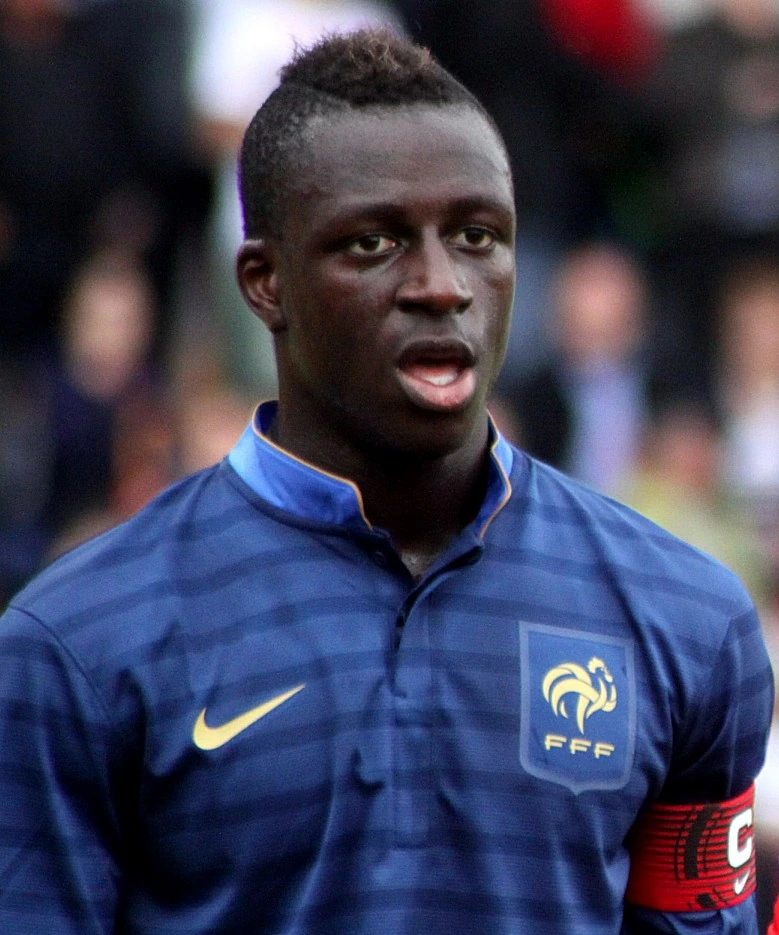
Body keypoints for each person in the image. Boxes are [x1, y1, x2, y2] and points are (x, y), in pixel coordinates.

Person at [0, 28, 772, 935]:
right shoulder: (77, 643)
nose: (442, 286)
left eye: (477, 236)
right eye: (373, 243)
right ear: (265, 281)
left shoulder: (683, 617)